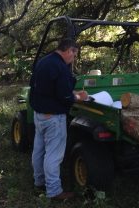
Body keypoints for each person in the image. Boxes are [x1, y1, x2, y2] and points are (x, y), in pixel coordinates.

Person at [29, 38, 88, 200]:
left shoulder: (43, 61)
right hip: (53, 118)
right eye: (74, 55)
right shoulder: (60, 67)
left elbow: (33, 85)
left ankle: (39, 182)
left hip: (39, 115)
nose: (73, 59)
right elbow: (65, 96)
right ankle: (54, 191)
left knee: (39, 151)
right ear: (69, 51)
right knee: (53, 156)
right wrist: (78, 97)